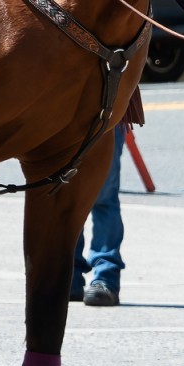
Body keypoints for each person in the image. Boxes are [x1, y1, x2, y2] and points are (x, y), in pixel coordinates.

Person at [71, 121, 128, 306]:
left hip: (108, 112)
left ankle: (106, 278)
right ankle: (67, 277)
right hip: (62, 112)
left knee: (103, 198)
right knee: (65, 198)